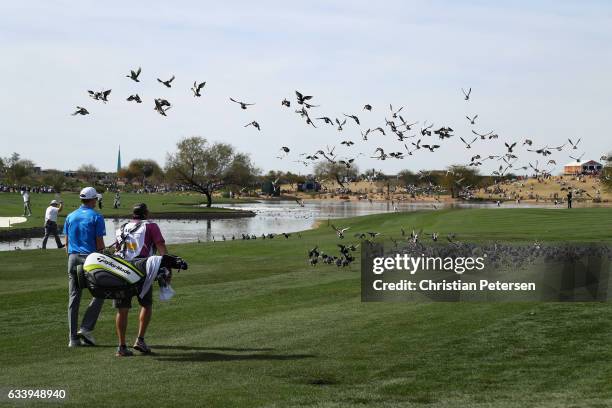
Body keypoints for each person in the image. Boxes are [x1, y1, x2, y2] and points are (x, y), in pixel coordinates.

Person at [113, 203, 167, 357]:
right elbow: (160, 246)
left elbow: (118, 249)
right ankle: (140, 340)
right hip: (143, 270)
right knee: (146, 305)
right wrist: (166, 266)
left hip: (122, 270)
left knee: (122, 309)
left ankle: (122, 346)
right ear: (146, 213)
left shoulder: (122, 227)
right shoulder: (151, 226)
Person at [63, 187, 106, 348]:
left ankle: (72, 339)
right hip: (90, 259)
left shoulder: (70, 216)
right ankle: (86, 328)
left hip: (72, 258)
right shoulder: (96, 216)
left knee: (74, 298)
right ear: (93, 200)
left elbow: (66, 244)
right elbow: (100, 243)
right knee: (101, 291)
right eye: (96, 199)